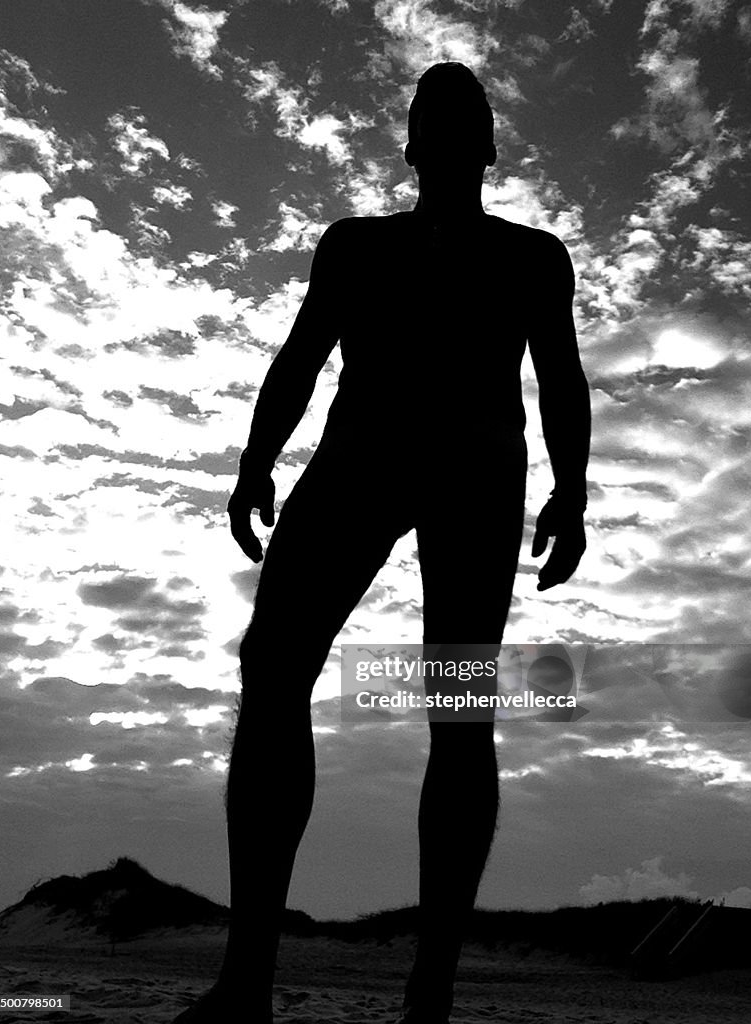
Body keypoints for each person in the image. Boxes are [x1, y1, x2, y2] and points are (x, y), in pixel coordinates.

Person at [172, 61, 590, 1024]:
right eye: (428, 119)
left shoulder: (533, 256)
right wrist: (255, 459)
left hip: (478, 477)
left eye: (464, 119)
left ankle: (430, 991)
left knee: (459, 709)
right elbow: (302, 354)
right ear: (408, 145)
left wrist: (571, 490)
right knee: (274, 669)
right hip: (358, 462)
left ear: (489, 147)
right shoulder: (356, 246)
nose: (444, 134)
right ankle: (246, 981)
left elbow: (560, 378)